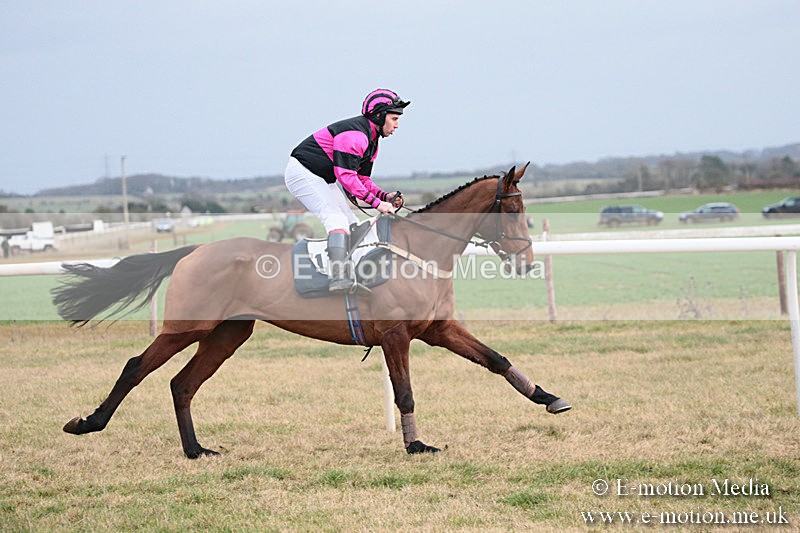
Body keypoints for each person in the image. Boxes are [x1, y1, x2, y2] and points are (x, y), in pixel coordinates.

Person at [285, 88, 408, 293]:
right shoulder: (355, 137)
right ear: (379, 116)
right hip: (303, 173)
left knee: (352, 225)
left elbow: (362, 179)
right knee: (337, 221)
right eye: (394, 118)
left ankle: (352, 273)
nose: (397, 125)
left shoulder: (372, 141)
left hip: (323, 177)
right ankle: (337, 278)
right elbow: (347, 178)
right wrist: (378, 204)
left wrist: (383, 196)